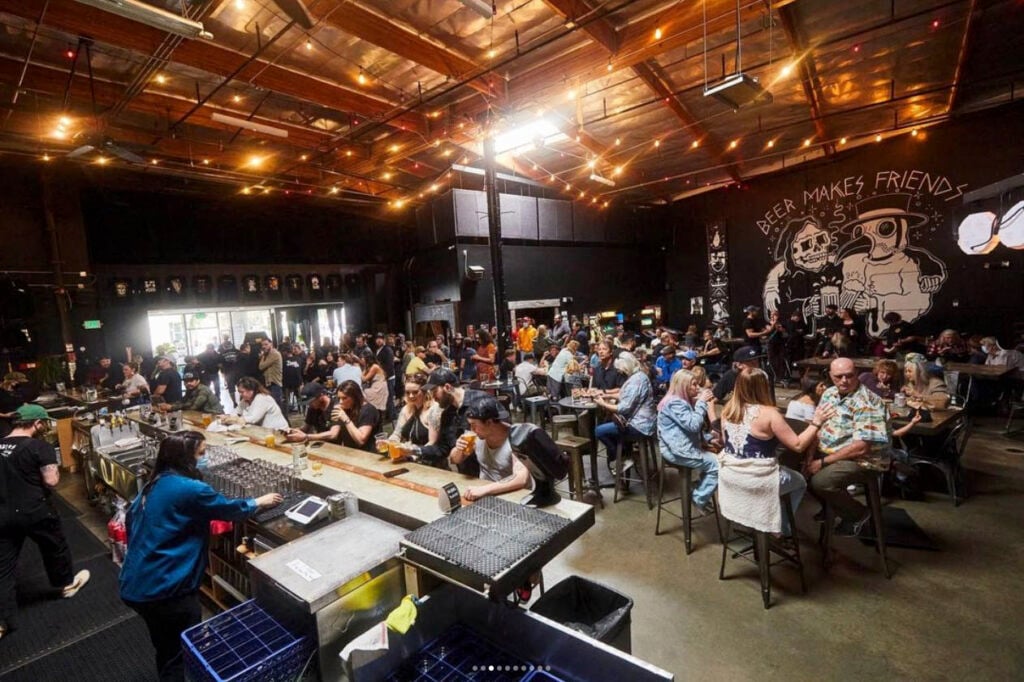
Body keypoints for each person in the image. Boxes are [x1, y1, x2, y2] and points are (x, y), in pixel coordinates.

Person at [119, 432, 281, 680]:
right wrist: (258, 501)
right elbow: (229, 509)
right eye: (202, 453)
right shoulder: (191, 489)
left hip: (136, 583)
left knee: (165, 646)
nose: (206, 458)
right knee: (181, 652)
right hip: (165, 589)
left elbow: (132, 521)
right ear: (186, 458)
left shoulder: (156, 482)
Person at [1, 405, 92, 641]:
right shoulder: (39, 447)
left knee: (4, 566)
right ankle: (65, 585)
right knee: (54, 547)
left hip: (3, 512)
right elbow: (51, 481)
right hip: (35, 511)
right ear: (37, 424)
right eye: (44, 423)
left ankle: (3, 621)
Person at [720, 370, 833, 534]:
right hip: (756, 479)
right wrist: (816, 423)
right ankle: (781, 528)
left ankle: (756, 518)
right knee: (799, 481)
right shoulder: (770, 414)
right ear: (764, 387)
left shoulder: (728, 409)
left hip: (730, 475)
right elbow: (798, 445)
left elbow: (726, 442)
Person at [807, 357, 890, 536]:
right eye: (838, 377)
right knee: (798, 471)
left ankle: (858, 514)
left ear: (857, 374)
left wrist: (821, 462)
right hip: (832, 450)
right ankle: (833, 506)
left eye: (849, 376)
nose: (844, 380)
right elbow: (818, 426)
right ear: (830, 376)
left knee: (821, 481)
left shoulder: (867, 402)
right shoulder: (830, 393)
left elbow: (861, 447)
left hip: (864, 460)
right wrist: (810, 457)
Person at [657, 369, 719, 511]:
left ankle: (696, 487)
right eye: (694, 385)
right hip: (676, 451)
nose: (697, 388)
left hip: (678, 446)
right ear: (683, 386)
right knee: (719, 466)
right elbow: (693, 425)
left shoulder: (679, 400)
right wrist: (702, 403)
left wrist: (708, 439)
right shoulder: (675, 403)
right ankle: (698, 497)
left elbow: (685, 430)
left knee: (714, 460)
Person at [450, 396, 531, 501]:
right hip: (486, 494)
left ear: (489, 422)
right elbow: (453, 460)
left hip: (514, 496)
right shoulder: (476, 435)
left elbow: (521, 478)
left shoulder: (515, 438)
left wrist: (484, 490)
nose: (471, 429)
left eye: (474, 425)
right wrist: (459, 449)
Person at [594, 352, 656, 463]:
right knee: (609, 423)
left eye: (621, 370)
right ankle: (624, 451)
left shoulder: (636, 381)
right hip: (646, 422)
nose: (620, 372)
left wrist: (602, 403)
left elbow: (623, 408)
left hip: (639, 426)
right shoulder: (639, 376)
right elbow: (626, 394)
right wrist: (607, 395)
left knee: (599, 431)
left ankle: (620, 456)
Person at [425, 368, 488, 476]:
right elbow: (442, 449)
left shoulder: (481, 400)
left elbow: (504, 433)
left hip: (491, 473)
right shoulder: (447, 414)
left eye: (434, 391)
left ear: (448, 387)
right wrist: (414, 450)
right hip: (466, 476)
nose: (433, 397)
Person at [389, 373, 438, 452]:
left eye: (415, 392)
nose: (411, 396)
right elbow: (397, 434)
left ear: (424, 391)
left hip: (427, 457)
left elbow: (433, 442)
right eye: (407, 393)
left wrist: (413, 452)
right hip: (408, 454)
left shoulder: (433, 410)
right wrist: (390, 442)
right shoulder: (406, 409)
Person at [329, 380, 381, 452]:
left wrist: (345, 419)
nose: (340, 402)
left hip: (368, 455)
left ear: (355, 397)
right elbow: (336, 434)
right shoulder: (346, 409)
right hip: (351, 453)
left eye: (344, 398)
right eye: (339, 398)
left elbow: (361, 440)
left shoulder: (368, 410)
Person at [374, 333, 397, 420]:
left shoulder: (387, 349)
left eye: (380, 338)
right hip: (382, 377)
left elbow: (389, 365)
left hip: (388, 377)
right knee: (386, 397)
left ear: (384, 340)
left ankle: (392, 417)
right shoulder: (378, 350)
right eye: (377, 338)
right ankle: (390, 415)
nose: (379, 340)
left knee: (389, 397)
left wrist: (385, 377)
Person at [257, 338, 284, 411]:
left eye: (266, 344)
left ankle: (285, 422)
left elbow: (261, 366)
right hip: (270, 383)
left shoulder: (274, 354)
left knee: (277, 406)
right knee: (274, 406)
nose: (264, 346)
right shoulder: (267, 354)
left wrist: (262, 356)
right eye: (262, 345)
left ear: (271, 344)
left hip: (275, 383)